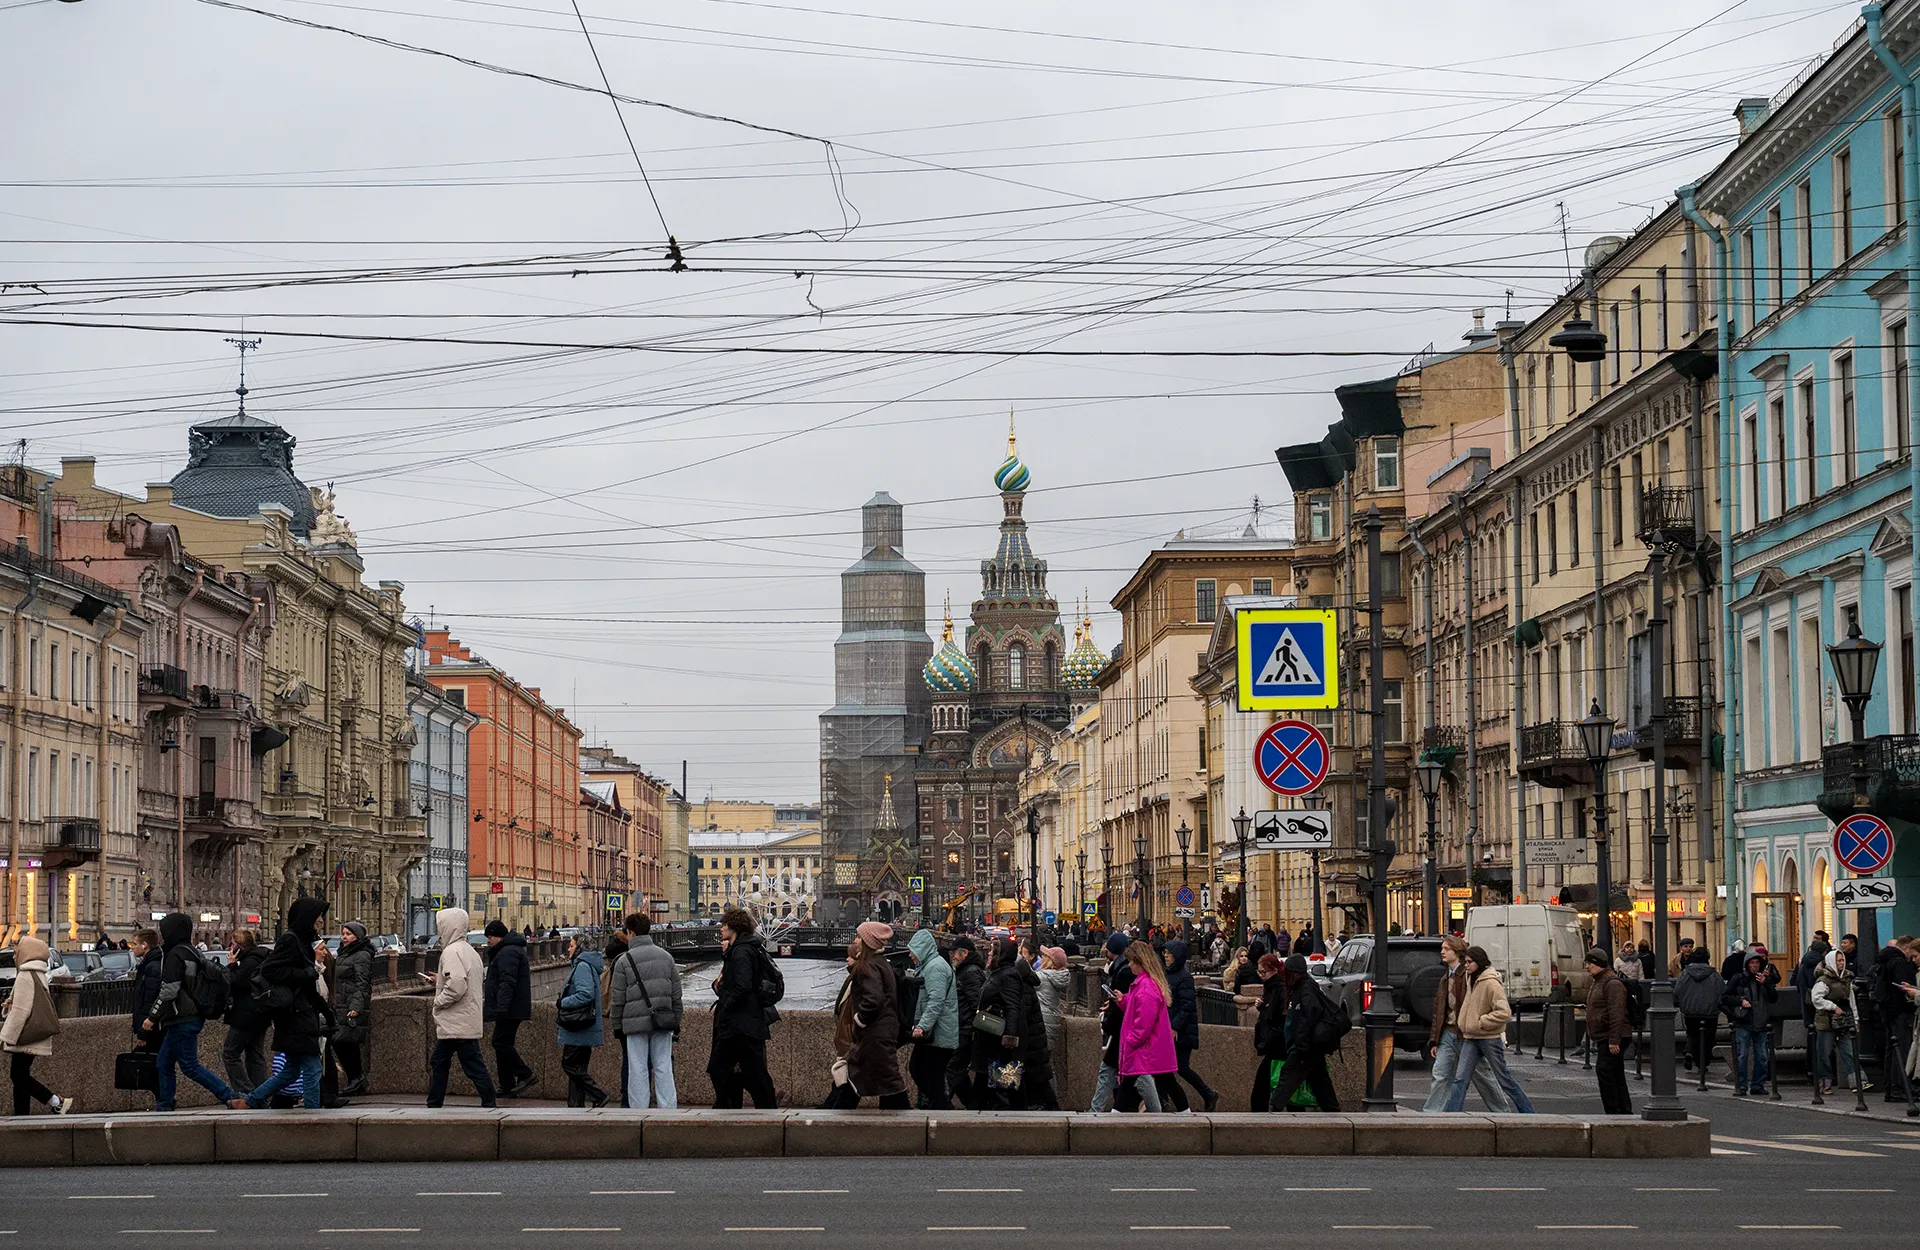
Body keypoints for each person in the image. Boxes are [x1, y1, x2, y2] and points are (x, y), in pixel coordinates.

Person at [232, 898, 335, 1111]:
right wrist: (307, 972)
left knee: (291, 1070)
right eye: (318, 916)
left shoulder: (303, 940)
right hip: (294, 1015)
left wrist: (326, 1011)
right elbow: (271, 970)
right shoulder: (290, 940)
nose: (321, 920)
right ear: (306, 916)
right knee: (313, 1067)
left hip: (300, 1012)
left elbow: (307, 987)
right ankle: (313, 1116)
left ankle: (249, 1101)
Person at [144, 912, 234, 1111]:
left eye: (164, 931)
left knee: (190, 1066)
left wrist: (152, 1017)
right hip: (189, 1016)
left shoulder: (175, 955)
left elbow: (169, 990)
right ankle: (165, 1105)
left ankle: (229, 1095)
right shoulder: (192, 951)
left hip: (182, 1017)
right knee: (163, 1063)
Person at [825, 922, 909, 1109]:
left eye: (859, 937)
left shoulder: (867, 966)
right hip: (883, 1032)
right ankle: (898, 1115)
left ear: (867, 942)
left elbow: (873, 1000)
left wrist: (859, 1020)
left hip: (873, 1035)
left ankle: (837, 1118)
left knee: (881, 1079)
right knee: (874, 1078)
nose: (855, 941)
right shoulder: (882, 963)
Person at [1424, 935, 1511, 1113]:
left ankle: (1503, 1112)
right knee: (1440, 1074)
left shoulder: (1468, 976)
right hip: (1448, 1033)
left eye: (1446, 949)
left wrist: (1480, 1024)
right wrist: (1434, 1040)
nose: (1442, 952)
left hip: (1468, 1035)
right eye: (1442, 948)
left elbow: (1483, 1004)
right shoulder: (1445, 978)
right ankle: (1432, 1114)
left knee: (1483, 1076)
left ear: (1457, 952)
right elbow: (1439, 1012)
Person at [1443, 946, 1535, 1113]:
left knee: (1504, 1079)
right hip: (1471, 1037)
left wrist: (1481, 1022)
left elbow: (1504, 1012)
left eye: (1469, 962)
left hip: (1488, 1038)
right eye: (1465, 962)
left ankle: (1528, 1112)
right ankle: (1453, 1115)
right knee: (1460, 1079)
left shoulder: (1491, 983)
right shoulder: (1471, 979)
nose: (1466, 965)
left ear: (1479, 962)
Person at [425, 907, 499, 1109]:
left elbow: (457, 986)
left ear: (448, 927)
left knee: (469, 1065)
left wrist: (438, 1000)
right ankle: (435, 1102)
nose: (439, 931)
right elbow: (464, 979)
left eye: (441, 926)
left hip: (456, 1020)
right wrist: (440, 981)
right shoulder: (469, 951)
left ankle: (489, 1101)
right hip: (464, 1018)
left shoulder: (451, 952)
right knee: (443, 1061)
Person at [708, 906, 778, 1109]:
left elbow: (742, 986)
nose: (721, 928)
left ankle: (757, 1107)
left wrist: (726, 1007)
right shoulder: (744, 949)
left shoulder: (741, 952)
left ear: (734, 927)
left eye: (724, 924)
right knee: (747, 1072)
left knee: (723, 1069)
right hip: (743, 1023)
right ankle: (755, 1106)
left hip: (740, 1024)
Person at [609, 912, 680, 1109]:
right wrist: (677, 1020)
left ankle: (639, 1110)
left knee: (638, 1067)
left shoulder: (624, 961)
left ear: (630, 932)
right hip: (663, 1020)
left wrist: (616, 1025)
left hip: (634, 1023)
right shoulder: (666, 957)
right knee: (663, 1066)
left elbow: (618, 999)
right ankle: (668, 1110)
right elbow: (676, 994)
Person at [1, 935, 71, 1115]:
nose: (14, 956)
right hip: (33, 1031)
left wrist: (6, 1036)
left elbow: (21, 1011)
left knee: (18, 1075)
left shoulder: (25, 975)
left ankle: (56, 1101)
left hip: (25, 1032)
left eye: (17, 952)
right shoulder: (38, 972)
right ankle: (21, 1115)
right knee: (20, 1074)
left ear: (26, 953)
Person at [1269, 953, 1342, 1112]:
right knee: (1319, 1079)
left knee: (1289, 1073)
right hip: (1309, 1044)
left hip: (1306, 1044)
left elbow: (1308, 1015)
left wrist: (1300, 1043)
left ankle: (1275, 1106)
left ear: (1293, 973)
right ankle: (1332, 1109)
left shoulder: (1306, 989)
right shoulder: (1303, 987)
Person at [971, 937, 1034, 1110]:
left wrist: (1010, 1038)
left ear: (1001, 955)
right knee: (990, 1082)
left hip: (1000, 1042)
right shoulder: (999, 973)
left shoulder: (1008, 975)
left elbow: (1013, 1007)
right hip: (991, 1037)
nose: (989, 953)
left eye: (992, 951)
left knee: (1007, 1084)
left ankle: (1018, 1117)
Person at [1116, 940, 1177, 1113]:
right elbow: (1136, 1006)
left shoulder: (1145, 988)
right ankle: (1183, 1113)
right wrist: (1123, 999)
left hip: (1145, 1046)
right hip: (1148, 1044)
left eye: (1131, 961)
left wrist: (1130, 1041)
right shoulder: (1143, 985)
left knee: (1132, 1081)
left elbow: (1143, 1022)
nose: (1129, 965)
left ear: (1140, 963)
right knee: (1166, 1081)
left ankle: (1115, 1116)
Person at [1161, 939, 1217, 1112]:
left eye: (1169, 953)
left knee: (1181, 1067)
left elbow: (1187, 1006)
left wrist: (1175, 1026)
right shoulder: (1166, 974)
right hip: (1169, 1028)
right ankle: (1163, 1102)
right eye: (1164, 953)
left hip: (1182, 1031)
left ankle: (1208, 1093)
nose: (1166, 956)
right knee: (1164, 1068)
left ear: (1177, 956)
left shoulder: (1184, 977)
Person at [482, 919, 536, 1097]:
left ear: (498, 937)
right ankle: (507, 1086)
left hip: (510, 1008)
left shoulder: (508, 952)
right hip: (511, 1007)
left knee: (500, 1043)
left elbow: (507, 982)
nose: (488, 941)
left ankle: (525, 1074)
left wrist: (501, 1008)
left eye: (490, 937)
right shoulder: (508, 950)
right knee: (503, 1044)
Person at [557, 932, 611, 1108]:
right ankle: (575, 1106)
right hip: (584, 1026)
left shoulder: (582, 966)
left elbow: (585, 994)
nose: (568, 949)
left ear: (580, 948)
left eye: (571, 946)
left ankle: (598, 1095)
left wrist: (563, 1002)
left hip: (578, 1026)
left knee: (569, 1064)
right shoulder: (587, 965)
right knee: (578, 1069)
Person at [906, 927, 958, 1109]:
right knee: (923, 1070)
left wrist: (923, 1026)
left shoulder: (935, 968)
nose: (910, 955)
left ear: (921, 949)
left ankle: (941, 1107)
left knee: (926, 1071)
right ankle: (940, 1105)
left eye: (912, 950)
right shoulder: (930, 966)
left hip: (938, 1033)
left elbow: (936, 1000)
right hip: (935, 1033)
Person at [221, 929, 271, 1097]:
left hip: (246, 1016)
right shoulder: (259, 958)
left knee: (230, 1053)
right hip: (260, 1015)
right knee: (255, 1055)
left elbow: (234, 982)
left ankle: (247, 1092)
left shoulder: (249, 963)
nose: (231, 948)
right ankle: (260, 1095)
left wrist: (231, 965)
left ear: (240, 947)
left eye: (233, 944)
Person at [1721, 949, 1778, 1096]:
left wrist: (1766, 983)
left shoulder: (1764, 979)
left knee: (1762, 1056)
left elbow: (1773, 998)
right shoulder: (1739, 978)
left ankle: (1757, 1085)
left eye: (1757, 963)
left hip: (1761, 1022)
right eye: (1752, 963)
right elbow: (1724, 998)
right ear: (1747, 964)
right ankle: (1741, 1086)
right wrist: (1740, 1001)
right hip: (1743, 1022)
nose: (1755, 965)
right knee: (1742, 1056)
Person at [1088, 931, 1134, 1112]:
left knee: (1109, 1069)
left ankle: (1096, 1111)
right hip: (1124, 1028)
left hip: (1123, 1028)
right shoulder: (1121, 967)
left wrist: (1109, 1024)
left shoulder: (1124, 971)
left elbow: (1125, 1001)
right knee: (1133, 1074)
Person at [1809, 947, 1865, 1095]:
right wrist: (1833, 1006)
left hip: (1843, 1021)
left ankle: (1858, 1081)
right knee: (1824, 1054)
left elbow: (1851, 1001)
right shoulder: (1824, 980)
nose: (1841, 963)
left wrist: (1855, 1019)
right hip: (1826, 1021)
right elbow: (1816, 998)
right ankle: (1824, 1083)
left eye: (1842, 960)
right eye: (1838, 960)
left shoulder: (1847, 978)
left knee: (1849, 1051)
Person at [1584, 948, 1633, 1114]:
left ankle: (1614, 1111)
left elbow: (1617, 1013)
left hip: (1611, 1037)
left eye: (1589, 963)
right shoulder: (1599, 981)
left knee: (1604, 1071)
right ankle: (1623, 1111)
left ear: (1598, 964)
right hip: (1606, 1036)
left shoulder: (1612, 984)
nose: (1586, 966)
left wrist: (1614, 1040)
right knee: (1615, 1073)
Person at [1872, 935, 1917, 1103]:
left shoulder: (1885, 960)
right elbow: (1902, 987)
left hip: (1888, 1011)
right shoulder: (1898, 962)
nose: (1912, 959)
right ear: (1906, 948)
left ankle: (1891, 1089)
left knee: (1892, 1050)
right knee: (1901, 1050)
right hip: (1899, 1012)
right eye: (1911, 955)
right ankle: (1900, 1088)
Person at [331, 921, 374, 1096]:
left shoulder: (361, 955)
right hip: (341, 1004)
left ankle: (356, 1079)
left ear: (358, 936)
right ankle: (355, 1081)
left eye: (348, 934)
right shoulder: (345, 953)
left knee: (343, 1041)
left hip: (350, 1006)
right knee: (345, 1043)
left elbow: (363, 984)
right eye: (343, 934)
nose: (344, 937)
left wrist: (356, 1006)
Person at [1014, 938, 1057, 1111]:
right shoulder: (1038, 977)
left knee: (1040, 1071)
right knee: (1042, 1069)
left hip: (1036, 1031)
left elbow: (1020, 1013)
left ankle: (1047, 1105)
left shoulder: (1037, 978)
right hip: (1042, 1027)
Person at [1671, 948, 1724, 1079]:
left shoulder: (1685, 973)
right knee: (1708, 1037)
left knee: (1692, 1033)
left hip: (1690, 1011)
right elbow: (1722, 991)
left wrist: (1683, 1002)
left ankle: (1690, 1052)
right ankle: (1703, 1063)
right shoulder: (1714, 974)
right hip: (1710, 1012)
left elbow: (1677, 991)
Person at [946, 936, 984, 1110]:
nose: (952, 956)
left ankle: (941, 1102)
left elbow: (976, 1004)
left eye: (955, 952)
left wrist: (971, 1028)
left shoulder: (971, 972)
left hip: (966, 1029)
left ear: (964, 953)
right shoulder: (965, 970)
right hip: (962, 1027)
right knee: (958, 1069)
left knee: (953, 1068)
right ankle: (973, 1103)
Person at [1250, 954, 1287, 1111]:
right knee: (1277, 1087)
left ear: (1274, 970)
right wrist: (1261, 1007)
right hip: (1274, 1045)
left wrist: (1268, 1040)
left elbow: (1282, 1019)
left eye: (1263, 972)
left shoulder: (1280, 989)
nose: (1260, 975)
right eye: (1258, 972)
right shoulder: (1270, 987)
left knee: (1262, 1089)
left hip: (1278, 1047)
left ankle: (1260, 1117)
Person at [127, 927, 163, 1056]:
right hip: (153, 1027)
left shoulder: (152, 967)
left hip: (151, 1029)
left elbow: (149, 1001)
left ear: (144, 945)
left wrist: (143, 1034)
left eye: (135, 944)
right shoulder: (151, 963)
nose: (132, 948)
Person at [1034, 945, 1070, 1065]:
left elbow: (1026, 977)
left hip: (1042, 1020)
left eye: (1045, 956)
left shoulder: (1043, 977)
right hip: (1053, 1018)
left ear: (1050, 961)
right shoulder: (1056, 976)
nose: (1041, 957)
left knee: (1041, 1062)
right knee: (1046, 1059)